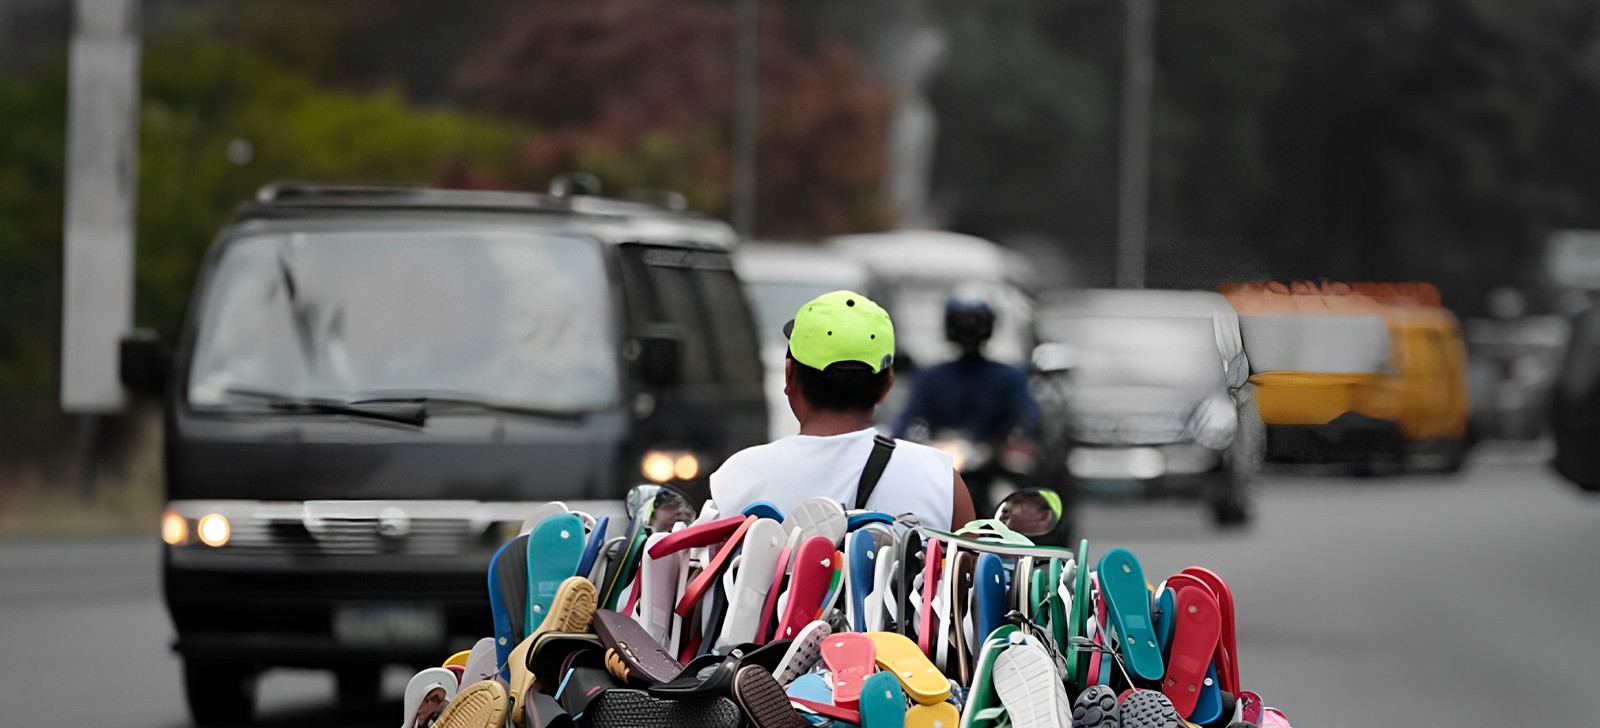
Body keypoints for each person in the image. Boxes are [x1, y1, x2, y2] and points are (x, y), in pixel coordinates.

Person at [709, 290, 977, 530]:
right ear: (887, 384)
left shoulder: (737, 476)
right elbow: (972, 576)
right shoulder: (940, 478)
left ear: (790, 376)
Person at [891, 293, 1040, 445]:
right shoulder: (931, 377)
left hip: (994, 458)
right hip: (942, 454)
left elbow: (1028, 417)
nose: (968, 328)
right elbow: (908, 416)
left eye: (974, 321)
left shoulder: (1009, 376)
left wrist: (1021, 443)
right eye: (961, 321)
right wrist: (895, 444)